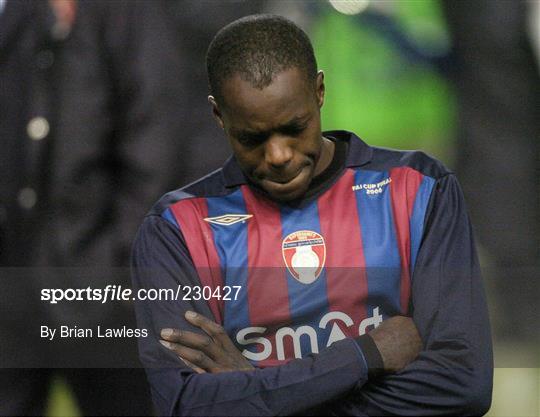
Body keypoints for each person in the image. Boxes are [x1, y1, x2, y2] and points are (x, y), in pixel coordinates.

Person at [131, 14, 493, 416]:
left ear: (319, 90)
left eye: (294, 127)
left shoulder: (421, 189)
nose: (279, 155)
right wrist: (365, 355)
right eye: (253, 138)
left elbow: (463, 384)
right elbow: (186, 406)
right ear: (219, 116)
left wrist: (253, 387)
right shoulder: (176, 230)